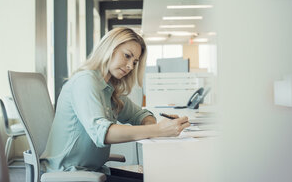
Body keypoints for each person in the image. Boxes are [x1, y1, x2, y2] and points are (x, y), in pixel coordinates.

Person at [41, 27, 190, 182]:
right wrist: (158, 130)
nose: (130, 66)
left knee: (156, 178)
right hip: (69, 174)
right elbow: (103, 134)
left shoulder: (108, 89)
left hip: (93, 172)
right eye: (127, 56)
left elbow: (140, 115)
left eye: (134, 62)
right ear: (109, 48)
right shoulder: (85, 82)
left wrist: (153, 125)